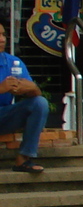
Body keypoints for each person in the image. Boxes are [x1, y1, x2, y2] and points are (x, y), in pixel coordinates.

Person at [0, 28, 48, 174]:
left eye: (3, 34)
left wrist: (32, 88)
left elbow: (35, 94)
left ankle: (24, 159)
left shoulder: (13, 62)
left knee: (39, 103)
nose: (2, 39)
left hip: (4, 116)